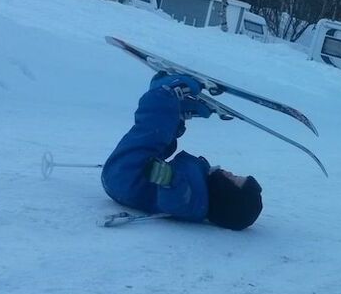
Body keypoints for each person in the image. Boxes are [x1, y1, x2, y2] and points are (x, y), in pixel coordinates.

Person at [102, 72, 263, 231]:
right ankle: (176, 114)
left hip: (126, 177)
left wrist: (169, 179)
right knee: (166, 144)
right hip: (132, 178)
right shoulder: (203, 190)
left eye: (233, 178)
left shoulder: (191, 204)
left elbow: (173, 201)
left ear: (226, 196)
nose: (229, 173)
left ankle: (164, 93)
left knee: (153, 131)